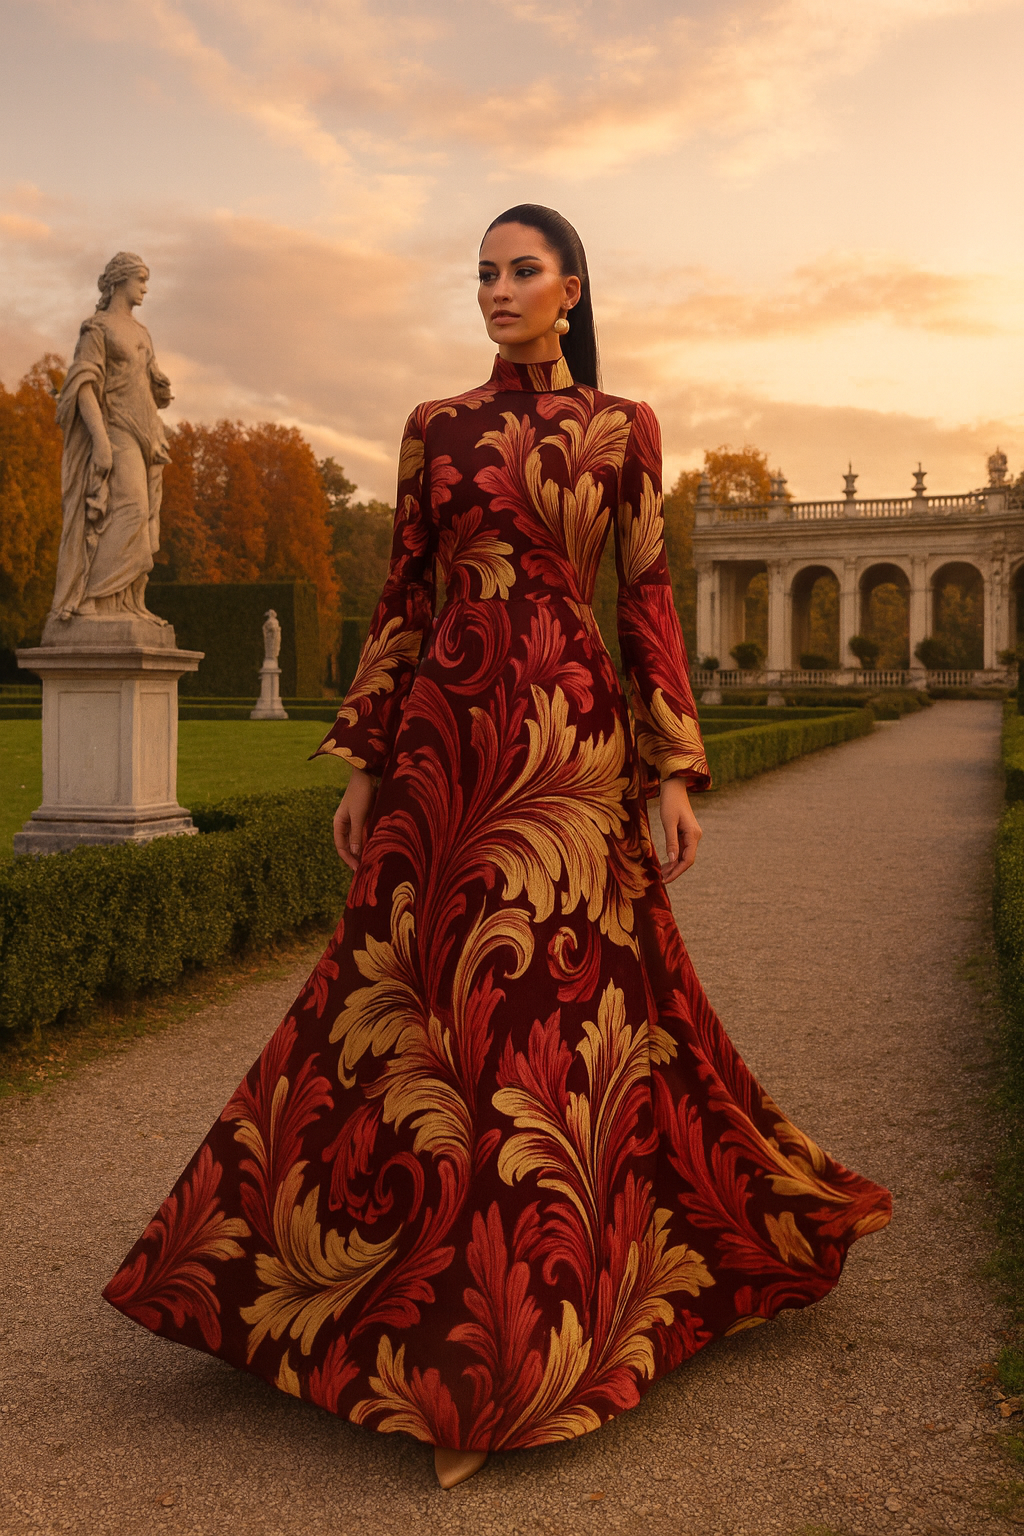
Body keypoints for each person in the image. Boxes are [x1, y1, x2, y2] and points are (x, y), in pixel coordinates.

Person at [103, 205, 891, 1491]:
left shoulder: (621, 427)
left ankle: (502, 1355)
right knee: (406, 1008)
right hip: (440, 745)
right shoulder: (435, 427)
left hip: (570, 746)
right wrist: (364, 755)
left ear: (572, 289)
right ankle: (361, 1297)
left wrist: (675, 767)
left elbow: (640, 593)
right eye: (482, 273)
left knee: (536, 1027)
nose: (497, 289)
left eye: (522, 270)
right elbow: (405, 594)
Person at [49, 252, 172, 628]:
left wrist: (159, 387)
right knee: (130, 511)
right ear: (120, 280)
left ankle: (128, 603)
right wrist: (100, 440)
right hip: (117, 428)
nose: (145, 289)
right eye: (141, 280)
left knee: (144, 520)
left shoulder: (142, 332)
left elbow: (145, 379)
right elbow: (84, 385)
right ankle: (92, 598)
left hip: (146, 435)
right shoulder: (98, 328)